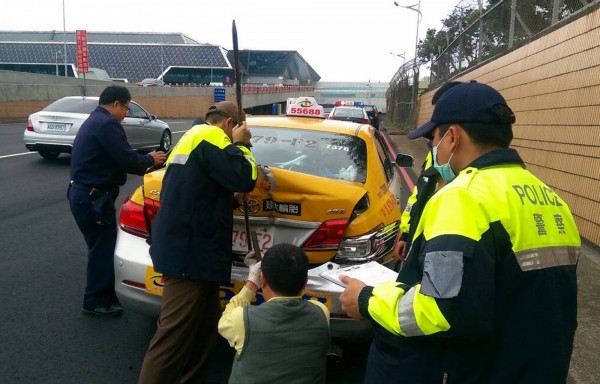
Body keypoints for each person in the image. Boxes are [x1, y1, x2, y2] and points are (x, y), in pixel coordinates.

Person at [339, 81, 581, 383]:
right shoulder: (549, 198)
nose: (433, 149)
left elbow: (438, 311)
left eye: (434, 139)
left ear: (452, 137)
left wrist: (366, 299)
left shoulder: (463, 197)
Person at [138, 101, 257, 384]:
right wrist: (242, 145)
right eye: (239, 129)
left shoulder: (190, 138)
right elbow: (245, 177)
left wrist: (228, 200)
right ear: (230, 124)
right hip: (189, 252)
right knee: (173, 334)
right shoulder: (214, 137)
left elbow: (194, 189)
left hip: (191, 245)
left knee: (205, 329)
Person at [68, 85, 166, 318]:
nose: (126, 114)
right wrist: (150, 159)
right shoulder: (107, 124)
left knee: (101, 246)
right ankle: (94, 302)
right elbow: (126, 158)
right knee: (102, 249)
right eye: (126, 108)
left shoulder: (95, 120)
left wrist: (144, 161)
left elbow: (116, 159)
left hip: (85, 195)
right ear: (116, 104)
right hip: (92, 198)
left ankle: (104, 294)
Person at [218, 243, 330, 384]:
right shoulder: (321, 312)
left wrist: (251, 283)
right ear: (305, 282)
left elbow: (224, 321)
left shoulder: (242, 320)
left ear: (263, 279)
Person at [394, 81, 462, 262]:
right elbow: (419, 194)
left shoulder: (470, 188)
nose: (433, 143)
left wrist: (365, 292)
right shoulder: (436, 156)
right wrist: (406, 234)